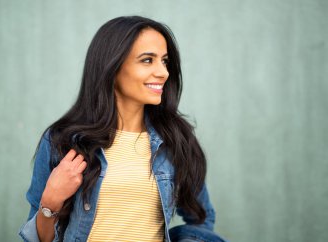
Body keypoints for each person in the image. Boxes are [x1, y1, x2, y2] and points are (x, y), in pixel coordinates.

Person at [19, 16, 227, 242]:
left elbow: (201, 219)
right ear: (112, 66)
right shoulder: (62, 140)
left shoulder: (176, 141)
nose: (163, 72)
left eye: (164, 61)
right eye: (147, 60)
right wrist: (51, 201)